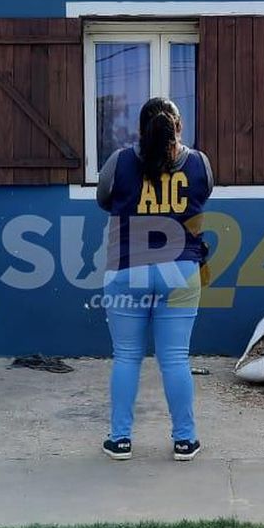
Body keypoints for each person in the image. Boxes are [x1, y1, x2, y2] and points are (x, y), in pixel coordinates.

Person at [95, 97, 213, 462]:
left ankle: (120, 440)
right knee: (175, 358)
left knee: (127, 357)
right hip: (180, 270)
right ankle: (185, 440)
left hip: (128, 267)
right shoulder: (198, 162)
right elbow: (203, 194)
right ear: (179, 128)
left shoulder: (119, 161)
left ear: (139, 129)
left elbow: (104, 200)